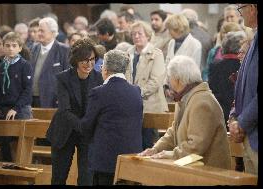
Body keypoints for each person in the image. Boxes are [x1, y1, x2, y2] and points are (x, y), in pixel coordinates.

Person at [138, 55, 231, 170]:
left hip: (211, 171)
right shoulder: (185, 97)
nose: (168, 82)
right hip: (192, 166)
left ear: (178, 79)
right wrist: (155, 149)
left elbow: (196, 146)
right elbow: (173, 132)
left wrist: (171, 154)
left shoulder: (202, 102)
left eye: (169, 77)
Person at [73, 49, 143, 185]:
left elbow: (87, 126)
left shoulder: (99, 92)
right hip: (132, 157)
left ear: (105, 69)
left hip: (106, 160)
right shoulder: (136, 91)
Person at [46, 38, 103, 185]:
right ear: (76, 60)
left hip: (87, 133)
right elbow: (65, 109)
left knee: (86, 179)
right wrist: (82, 126)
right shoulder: (63, 78)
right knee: (59, 177)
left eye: (91, 59)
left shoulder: (99, 78)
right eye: (84, 60)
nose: (88, 64)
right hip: (65, 130)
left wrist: (88, 127)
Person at [0, 32, 33, 162]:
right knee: (5, 149)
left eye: (14, 45)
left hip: (20, 110)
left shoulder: (25, 65)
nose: (11, 48)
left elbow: (27, 91)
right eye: (7, 45)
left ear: (20, 48)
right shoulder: (3, 66)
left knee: (18, 151)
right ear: (3, 47)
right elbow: (1, 91)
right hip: (5, 111)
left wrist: (16, 108)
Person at [125, 20, 168, 150]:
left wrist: (136, 93)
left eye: (139, 33)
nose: (136, 36)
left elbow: (155, 81)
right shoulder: (128, 53)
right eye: (133, 34)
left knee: (147, 143)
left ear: (148, 35)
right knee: (133, 144)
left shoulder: (156, 54)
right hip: (131, 105)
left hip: (150, 105)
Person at [228, 4, 258, 175]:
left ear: (253, 8)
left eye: (242, 8)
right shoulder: (254, 39)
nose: (241, 13)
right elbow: (243, 87)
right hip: (249, 135)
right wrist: (234, 117)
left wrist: (242, 123)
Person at [30, 17, 70, 108]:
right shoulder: (33, 49)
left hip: (52, 101)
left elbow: (68, 78)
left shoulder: (64, 50)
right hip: (32, 100)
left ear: (53, 33)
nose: (39, 33)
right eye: (38, 31)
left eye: (42, 31)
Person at [208, 31, 246, 125]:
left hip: (219, 113)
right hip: (239, 116)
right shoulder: (243, 66)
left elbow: (211, 91)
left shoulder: (214, 66)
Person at [181, 8, 213, 79]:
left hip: (189, 76)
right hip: (205, 76)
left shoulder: (185, 36)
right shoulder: (207, 36)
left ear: (184, 20)